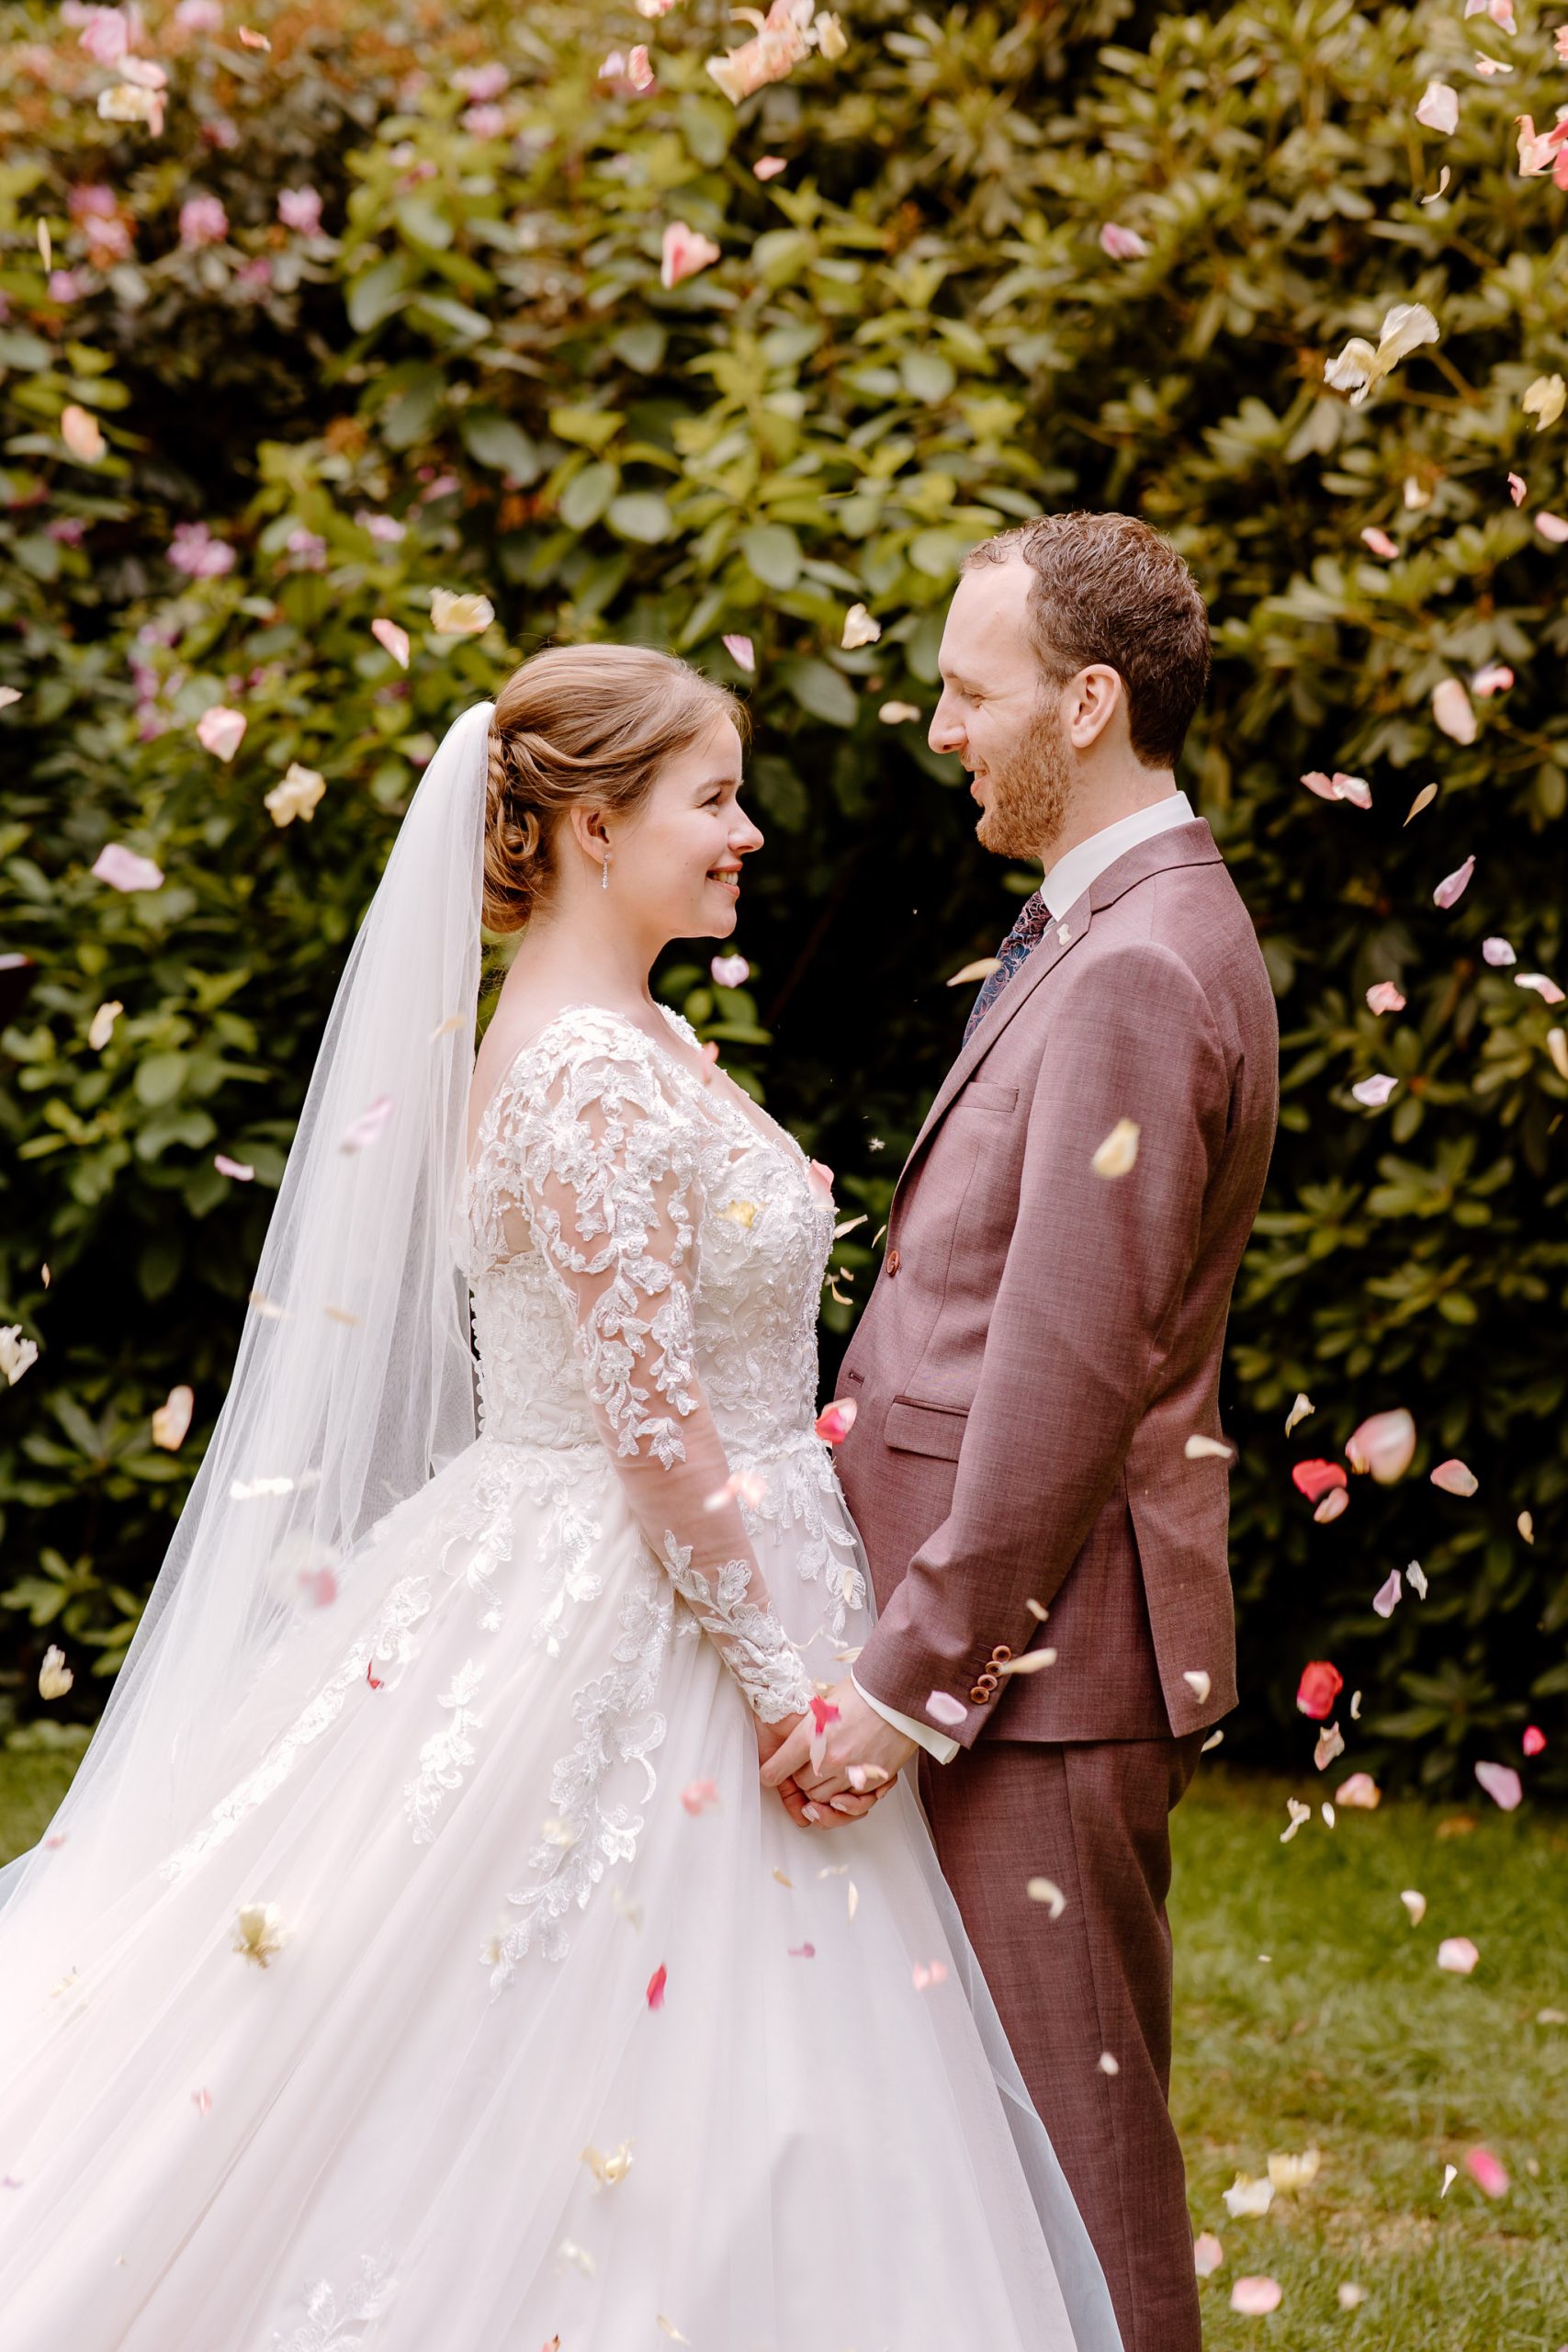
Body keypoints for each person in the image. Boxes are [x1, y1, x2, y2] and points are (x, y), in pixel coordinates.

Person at [0, 644, 1122, 2350]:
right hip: (644, 1593)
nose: (746, 834)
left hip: (669, 1562)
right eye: (714, 799)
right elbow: (656, 1430)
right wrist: (790, 1694)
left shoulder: (630, 1032)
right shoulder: (588, 1068)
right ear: (596, 827)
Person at [764, 514, 1280, 2352]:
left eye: (966, 690)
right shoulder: (1106, 922)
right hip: (1006, 1645)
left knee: (1073, 2163)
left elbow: (1061, 1371)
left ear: (1086, 698)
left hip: (1040, 1665)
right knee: (984, 2162)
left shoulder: (1140, 963)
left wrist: (912, 1678)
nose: (935, 724)